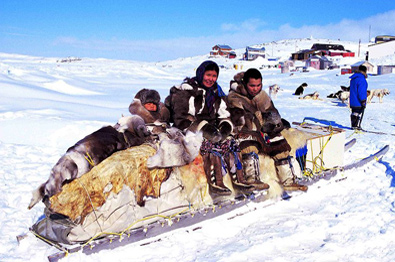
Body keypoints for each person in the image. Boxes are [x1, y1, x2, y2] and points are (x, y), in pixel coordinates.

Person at [165, 61, 267, 195]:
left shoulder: (216, 92)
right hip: (189, 130)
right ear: (201, 74)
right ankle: (216, 182)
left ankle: (239, 180)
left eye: (214, 76)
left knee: (231, 143)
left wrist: (225, 126)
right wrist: (203, 128)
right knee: (210, 146)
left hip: (212, 128)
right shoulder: (186, 92)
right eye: (208, 75)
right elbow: (181, 118)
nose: (211, 79)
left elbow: (224, 113)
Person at [227, 68, 307, 191]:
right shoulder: (234, 97)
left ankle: (288, 181)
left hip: (262, 131)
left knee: (280, 144)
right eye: (252, 86)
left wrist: (274, 122)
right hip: (244, 131)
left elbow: (272, 112)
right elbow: (240, 121)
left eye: (259, 85)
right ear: (245, 84)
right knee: (249, 145)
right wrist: (260, 122)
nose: (256, 88)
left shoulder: (262, 96)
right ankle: (252, 179)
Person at [349, 65, 368, 130]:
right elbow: (361, 91)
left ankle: (354, 126)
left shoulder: (353, 78)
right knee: (358, 114)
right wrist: (363, 100)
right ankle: (357, 127)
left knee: (354, 113)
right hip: (359, 101)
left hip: (353, 100)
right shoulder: (362, 79)